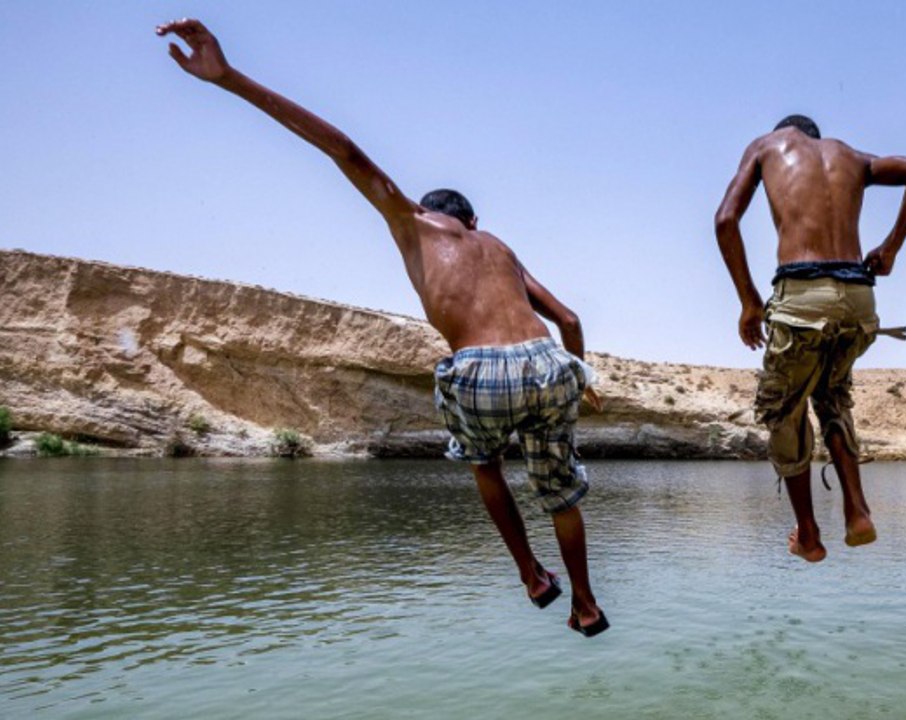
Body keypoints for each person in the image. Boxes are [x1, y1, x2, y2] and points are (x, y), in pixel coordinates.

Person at [157, 19, 608, 636]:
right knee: (560, 491)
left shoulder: (411, 221)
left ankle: (532, 575)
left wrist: (230, 78)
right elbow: (570, 319)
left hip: (481, 372)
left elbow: (343, 149)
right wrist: (580, 380)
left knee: (485, 465)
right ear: (473, 220)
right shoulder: (497, 246)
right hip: (549, 364)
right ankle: (586, 604)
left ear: (427, 213)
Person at [714, 114, 906, 562]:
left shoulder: (766, 147)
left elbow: (724, 221)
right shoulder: (851, 156)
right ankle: (857, 509)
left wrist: (749, 301)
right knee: (832, 396)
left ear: (785, 134)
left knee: (783, 410)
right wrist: (890, 246)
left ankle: (810, 534)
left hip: (801, 295)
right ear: (817, 138)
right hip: (859, 300)